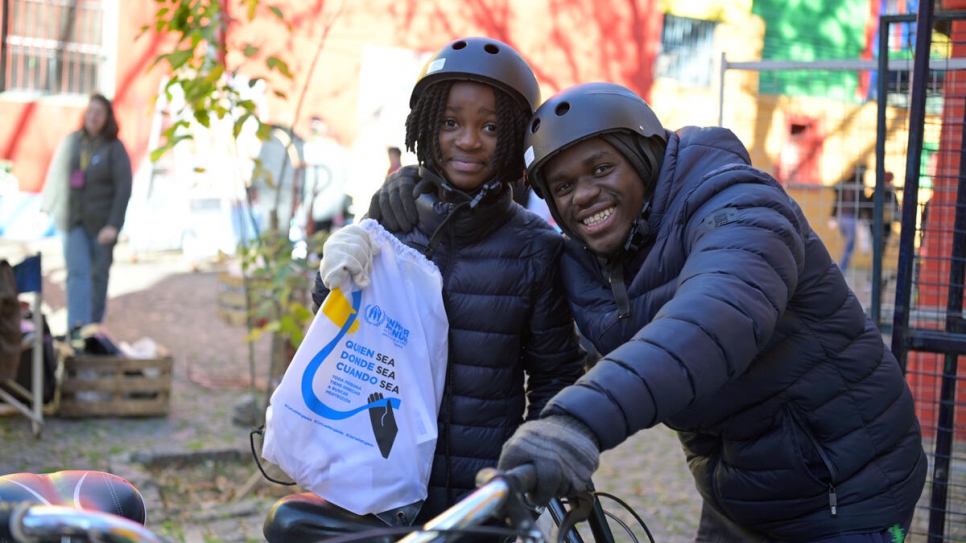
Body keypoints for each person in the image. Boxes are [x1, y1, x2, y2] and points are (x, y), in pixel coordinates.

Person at [372, 82, 927, 542]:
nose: (583, 194)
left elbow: (714, 319)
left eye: (601, 169)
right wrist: (422, 196)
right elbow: (490, 281)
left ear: (644, 157)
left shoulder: (739, 206)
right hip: (739, 490)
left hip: (850, 488)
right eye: (562, 185)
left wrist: (576, 423)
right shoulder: (588, 258)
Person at [263, 37, 586, 542]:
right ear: (426, 123)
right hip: (376, 483)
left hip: (479, 493)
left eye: (491, 126)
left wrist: (534, 463)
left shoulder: (535, 249)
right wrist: (327, 280)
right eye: (451, 121)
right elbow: (342, 332)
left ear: (515, 138)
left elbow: (555, 375)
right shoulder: (390, 223)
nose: (469, 140)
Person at [41, 94, 132, 336]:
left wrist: (114, 224)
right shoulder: (72, 141)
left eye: (98, 113)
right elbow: (56, 173)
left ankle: (93, 329)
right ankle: (77, 331)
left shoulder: (114, 147)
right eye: (90, 111)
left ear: (107, 118)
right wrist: (47, 207)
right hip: (72, 220)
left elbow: (124, 188)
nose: (93, 116)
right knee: (77, 273)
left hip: (102, 224)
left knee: (98, 276)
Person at [827, 166, 872, 271]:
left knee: (845, 245)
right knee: (849, 247)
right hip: (851, 218)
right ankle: (841, 269)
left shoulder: (846, 184)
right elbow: (862, 203)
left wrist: (833, 216)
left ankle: (840, 267)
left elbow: (837, 198)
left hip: (842, 217)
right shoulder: (859, 185)